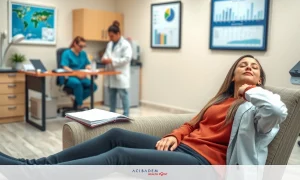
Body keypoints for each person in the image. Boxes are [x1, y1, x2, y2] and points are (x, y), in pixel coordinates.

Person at [0, 55, 287, 165]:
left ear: (260, 79)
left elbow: (277, 110)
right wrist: (176, 135)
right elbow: (193, 123)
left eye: (254, 68)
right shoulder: (219, 100)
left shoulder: (258, 109)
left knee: (120, 156)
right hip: (183, 149)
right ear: (233, 74)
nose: (248, 68)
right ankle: (35, 166)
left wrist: (250, 91)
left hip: (206, 167)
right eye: (242, 65)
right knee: (115, 134)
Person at [101, 21, 132, 116]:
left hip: (120, 74)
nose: (110, 38)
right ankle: (112, 114)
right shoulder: (110, 44)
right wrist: (104, 59)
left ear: (118, 34)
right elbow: (106, 55)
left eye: (112, 36)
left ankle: (126, 115)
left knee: (123, 95)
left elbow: (127, 59)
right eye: (109, 36)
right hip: (111, 74)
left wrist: (112, 60)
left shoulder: (125, 44)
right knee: (112, 96)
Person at [60, 36, 97, 110]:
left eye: (83, 46)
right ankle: (80, 104)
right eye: (80, 46)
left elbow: (87, 63)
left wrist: (88, 67)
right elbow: (65, 67)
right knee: (77, 84)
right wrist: (76, 74)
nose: (81, 48)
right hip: (69, 77)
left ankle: (76, 100)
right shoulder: (66, 53)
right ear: (75, 44)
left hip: (81, 76)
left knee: (93, 86)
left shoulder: (83, 53)